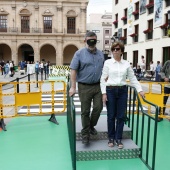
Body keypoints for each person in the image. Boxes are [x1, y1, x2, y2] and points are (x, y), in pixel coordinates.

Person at [100, 41, 145, 149]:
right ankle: (111, 138)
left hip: (122, 91)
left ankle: (118, 138)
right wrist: (104, 93)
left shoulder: (126, 64)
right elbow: (103, 79)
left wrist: (140, 89)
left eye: (117, 49)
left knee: (121, 116)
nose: (115, 51)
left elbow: (132, 78)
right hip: (110, 90)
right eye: (114, 49)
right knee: (111, 116)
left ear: (121, 51)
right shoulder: (108, 63)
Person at [69, 31, 104, 144]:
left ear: (96, 40)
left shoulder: (100, 54)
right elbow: (73, 70)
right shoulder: (79, 54)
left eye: (94, 39)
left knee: (98, 108)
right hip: (84, 86)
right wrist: (73, 87)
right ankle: (85, 134)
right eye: (89, 40)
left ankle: (90, 126)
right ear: (85, 40)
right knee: (85, 111)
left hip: (98, 86)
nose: (92, 42)